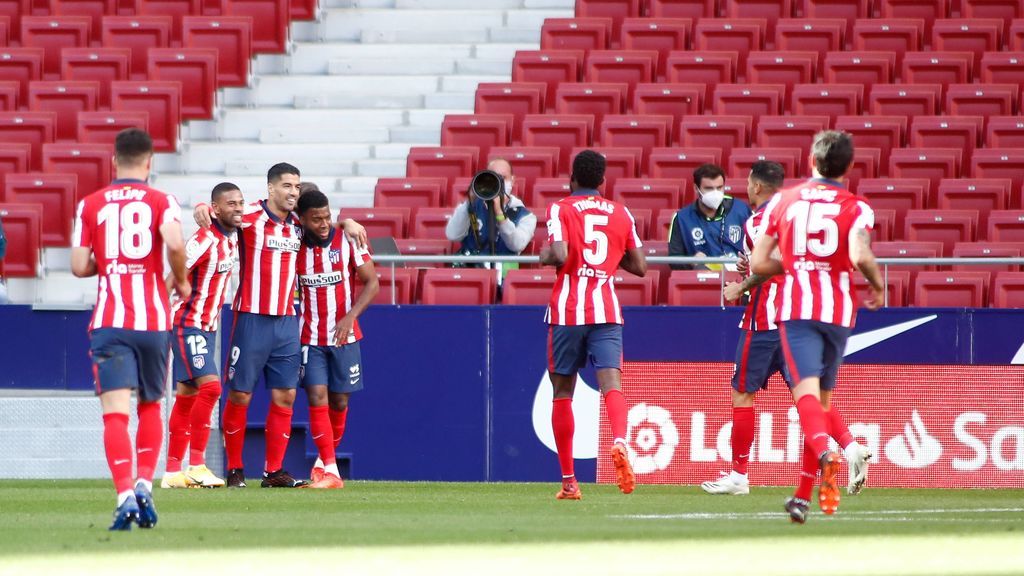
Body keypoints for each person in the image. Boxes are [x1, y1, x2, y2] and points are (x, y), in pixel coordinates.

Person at [192, 164, 367, 488]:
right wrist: (202, 208)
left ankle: (274, 472)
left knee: (286, 395)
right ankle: (235, 469)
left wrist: (348, 222)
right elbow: (220, 217)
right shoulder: (250, 218)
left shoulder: (299, 226)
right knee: (241, 395)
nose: (292, 192)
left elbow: (325, 222)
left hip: (287, 323)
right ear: (271, 188)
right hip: (251, 318)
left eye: (296, 187)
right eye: (287, 186)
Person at [750, 131, 885, 524]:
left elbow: (759, 264)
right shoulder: (857, 206)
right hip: (838, 312)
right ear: (849, 167)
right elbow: (860, 254)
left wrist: (796, 263)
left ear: (811, 159)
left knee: (806, 394)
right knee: (823, 402)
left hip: (798, 308)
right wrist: (878, 285)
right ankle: (803, 496)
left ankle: (827, 455)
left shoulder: (784, 200)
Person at [71, 128, 190, 530]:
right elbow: (174, 244)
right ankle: (144, 483)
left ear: (113, 160)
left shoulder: (90, 204)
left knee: (115, 415)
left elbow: (77, 265)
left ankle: (124, 494)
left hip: (110, 321)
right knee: (151, 405)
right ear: (150, 161)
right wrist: (182, 279)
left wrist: (108, 262)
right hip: (153, 321)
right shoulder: (162, 201)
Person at [539, 149, 647, 500]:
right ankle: (619, 440)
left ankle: (569, 482)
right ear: (603, 181)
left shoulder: (561, 208)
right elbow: (641, 266)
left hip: (568, 311)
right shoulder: (621, 212)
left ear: (572, 180)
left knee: (562, 392)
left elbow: (557, 253)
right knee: (611, 383)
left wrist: (542, 255)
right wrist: (608, 260)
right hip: (606, 310)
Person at [701, 160, 792, 496]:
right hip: (796, 317)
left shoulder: (759, 222)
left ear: (756, 186)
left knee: (742, 393)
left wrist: (741, 286)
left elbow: (771, 267)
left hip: (764, 319)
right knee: (810, 397)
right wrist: (749, 267)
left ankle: (739, 475)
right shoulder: (794, 216)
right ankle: (844, 448)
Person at [161, 182, 244, 489]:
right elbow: (174, 271)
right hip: (186, 322)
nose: (238, 208)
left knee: (186, 397)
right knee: (211, 389)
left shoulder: (233, 236)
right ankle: (196, 464)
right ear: (217, 208)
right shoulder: (205, 238)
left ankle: (172, 473)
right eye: (230, 204)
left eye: (240, 203)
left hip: (206, 327)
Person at [295, 190, 379, 489]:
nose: (323, 223)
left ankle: (321, 465)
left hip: (345, 335)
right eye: (315, 219)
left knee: (339, 400)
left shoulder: (346, 240)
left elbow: (373, 282)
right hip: (310, 337)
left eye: (327, 217)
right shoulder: (294, 245)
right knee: (317, 396)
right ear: (301, 220)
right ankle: (332, 470)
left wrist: (351, 315)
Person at [445, 158, 537, 259]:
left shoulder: (525, 216)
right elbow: (452, 235)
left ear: (512, 180)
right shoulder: (473, 207)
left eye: (502, 178)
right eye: (493, 178)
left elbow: (517, 245)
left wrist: (499, 213)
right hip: (471, 270)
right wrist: (469, 203)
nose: (498, 183)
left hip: (504, 272)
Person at [668, 163, 752, 270]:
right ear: (696, 188)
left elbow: (758, 246)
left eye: (719, 187)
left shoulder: (741, 210)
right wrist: (691, 261)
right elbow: (673, 259)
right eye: (709, 188)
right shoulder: (682, 218)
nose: (715, 193)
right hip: (703, 279)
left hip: (739, 276)